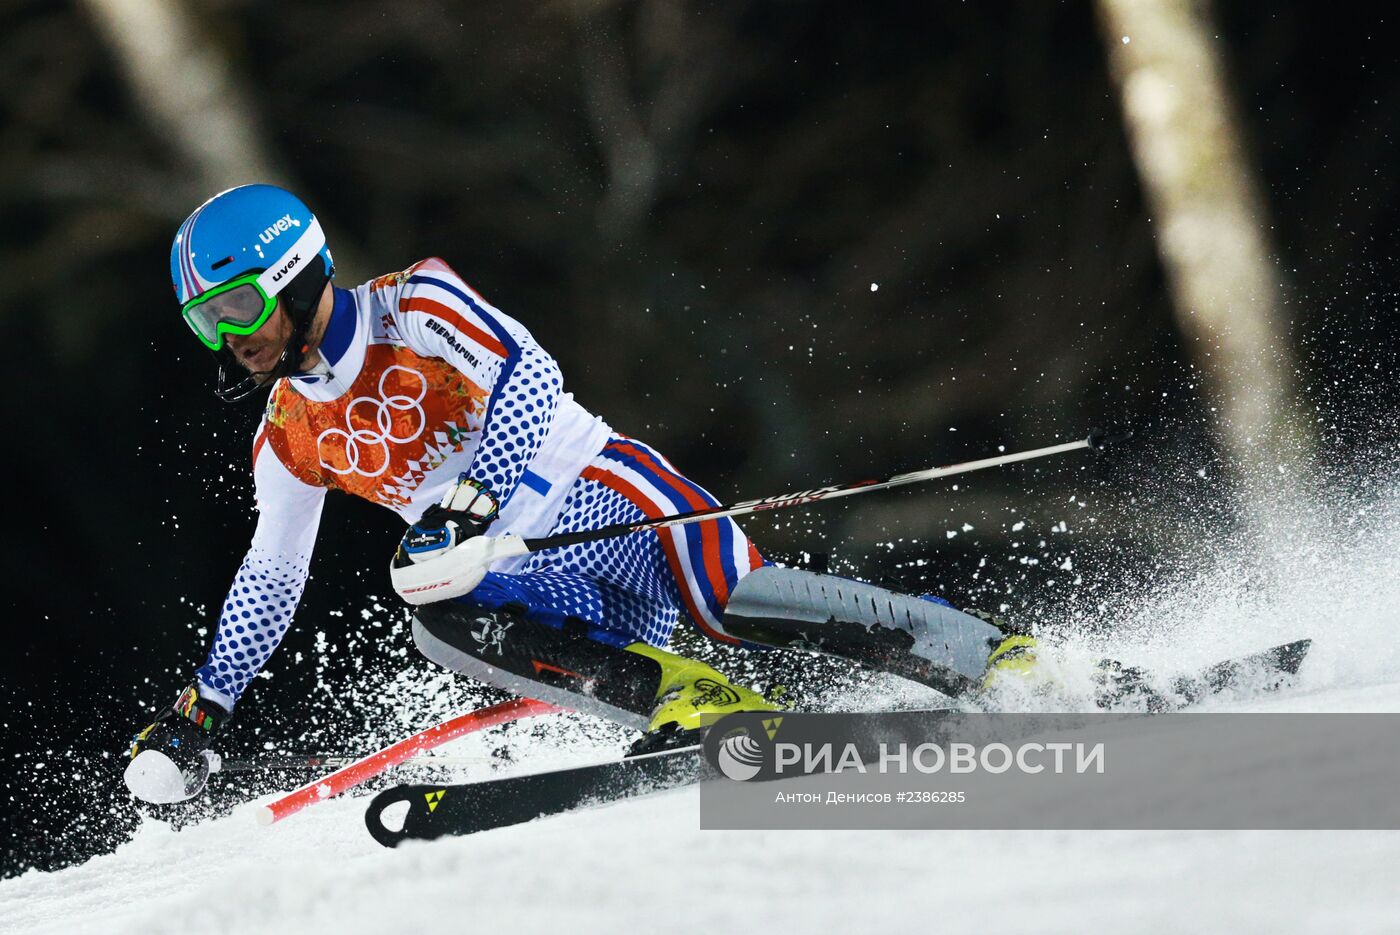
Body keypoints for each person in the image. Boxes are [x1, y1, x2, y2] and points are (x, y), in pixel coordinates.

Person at [125, 184, 1033, 804]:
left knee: (733, 600)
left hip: (604, 496)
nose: (228, 339)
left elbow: (532, 377)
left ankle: (987, 655)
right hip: (531, 580)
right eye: (206, 321)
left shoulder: (418, 306)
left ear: (296, 275)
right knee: (428, 608)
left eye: (239, 307)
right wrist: (206, 704)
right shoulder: (287, 431)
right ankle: (690, 702)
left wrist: (473, 502)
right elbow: (272, 574)